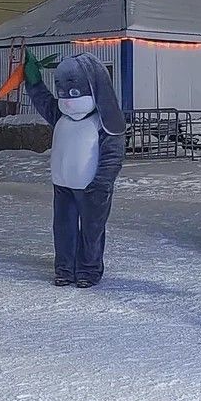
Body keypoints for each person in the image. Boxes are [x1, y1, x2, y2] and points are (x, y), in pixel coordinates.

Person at [23, 51, 126, 288]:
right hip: (63, 185)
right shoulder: (61, 114)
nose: (67, 100)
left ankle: (89, 270)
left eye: (74, 92)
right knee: (63, 230)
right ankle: (65, 269)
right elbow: (44, 102)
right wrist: (34, 81)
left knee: (91, 232)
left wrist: (102, 183)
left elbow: (113, 155)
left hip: (92, 187)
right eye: (63, 93)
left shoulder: (104, 120)